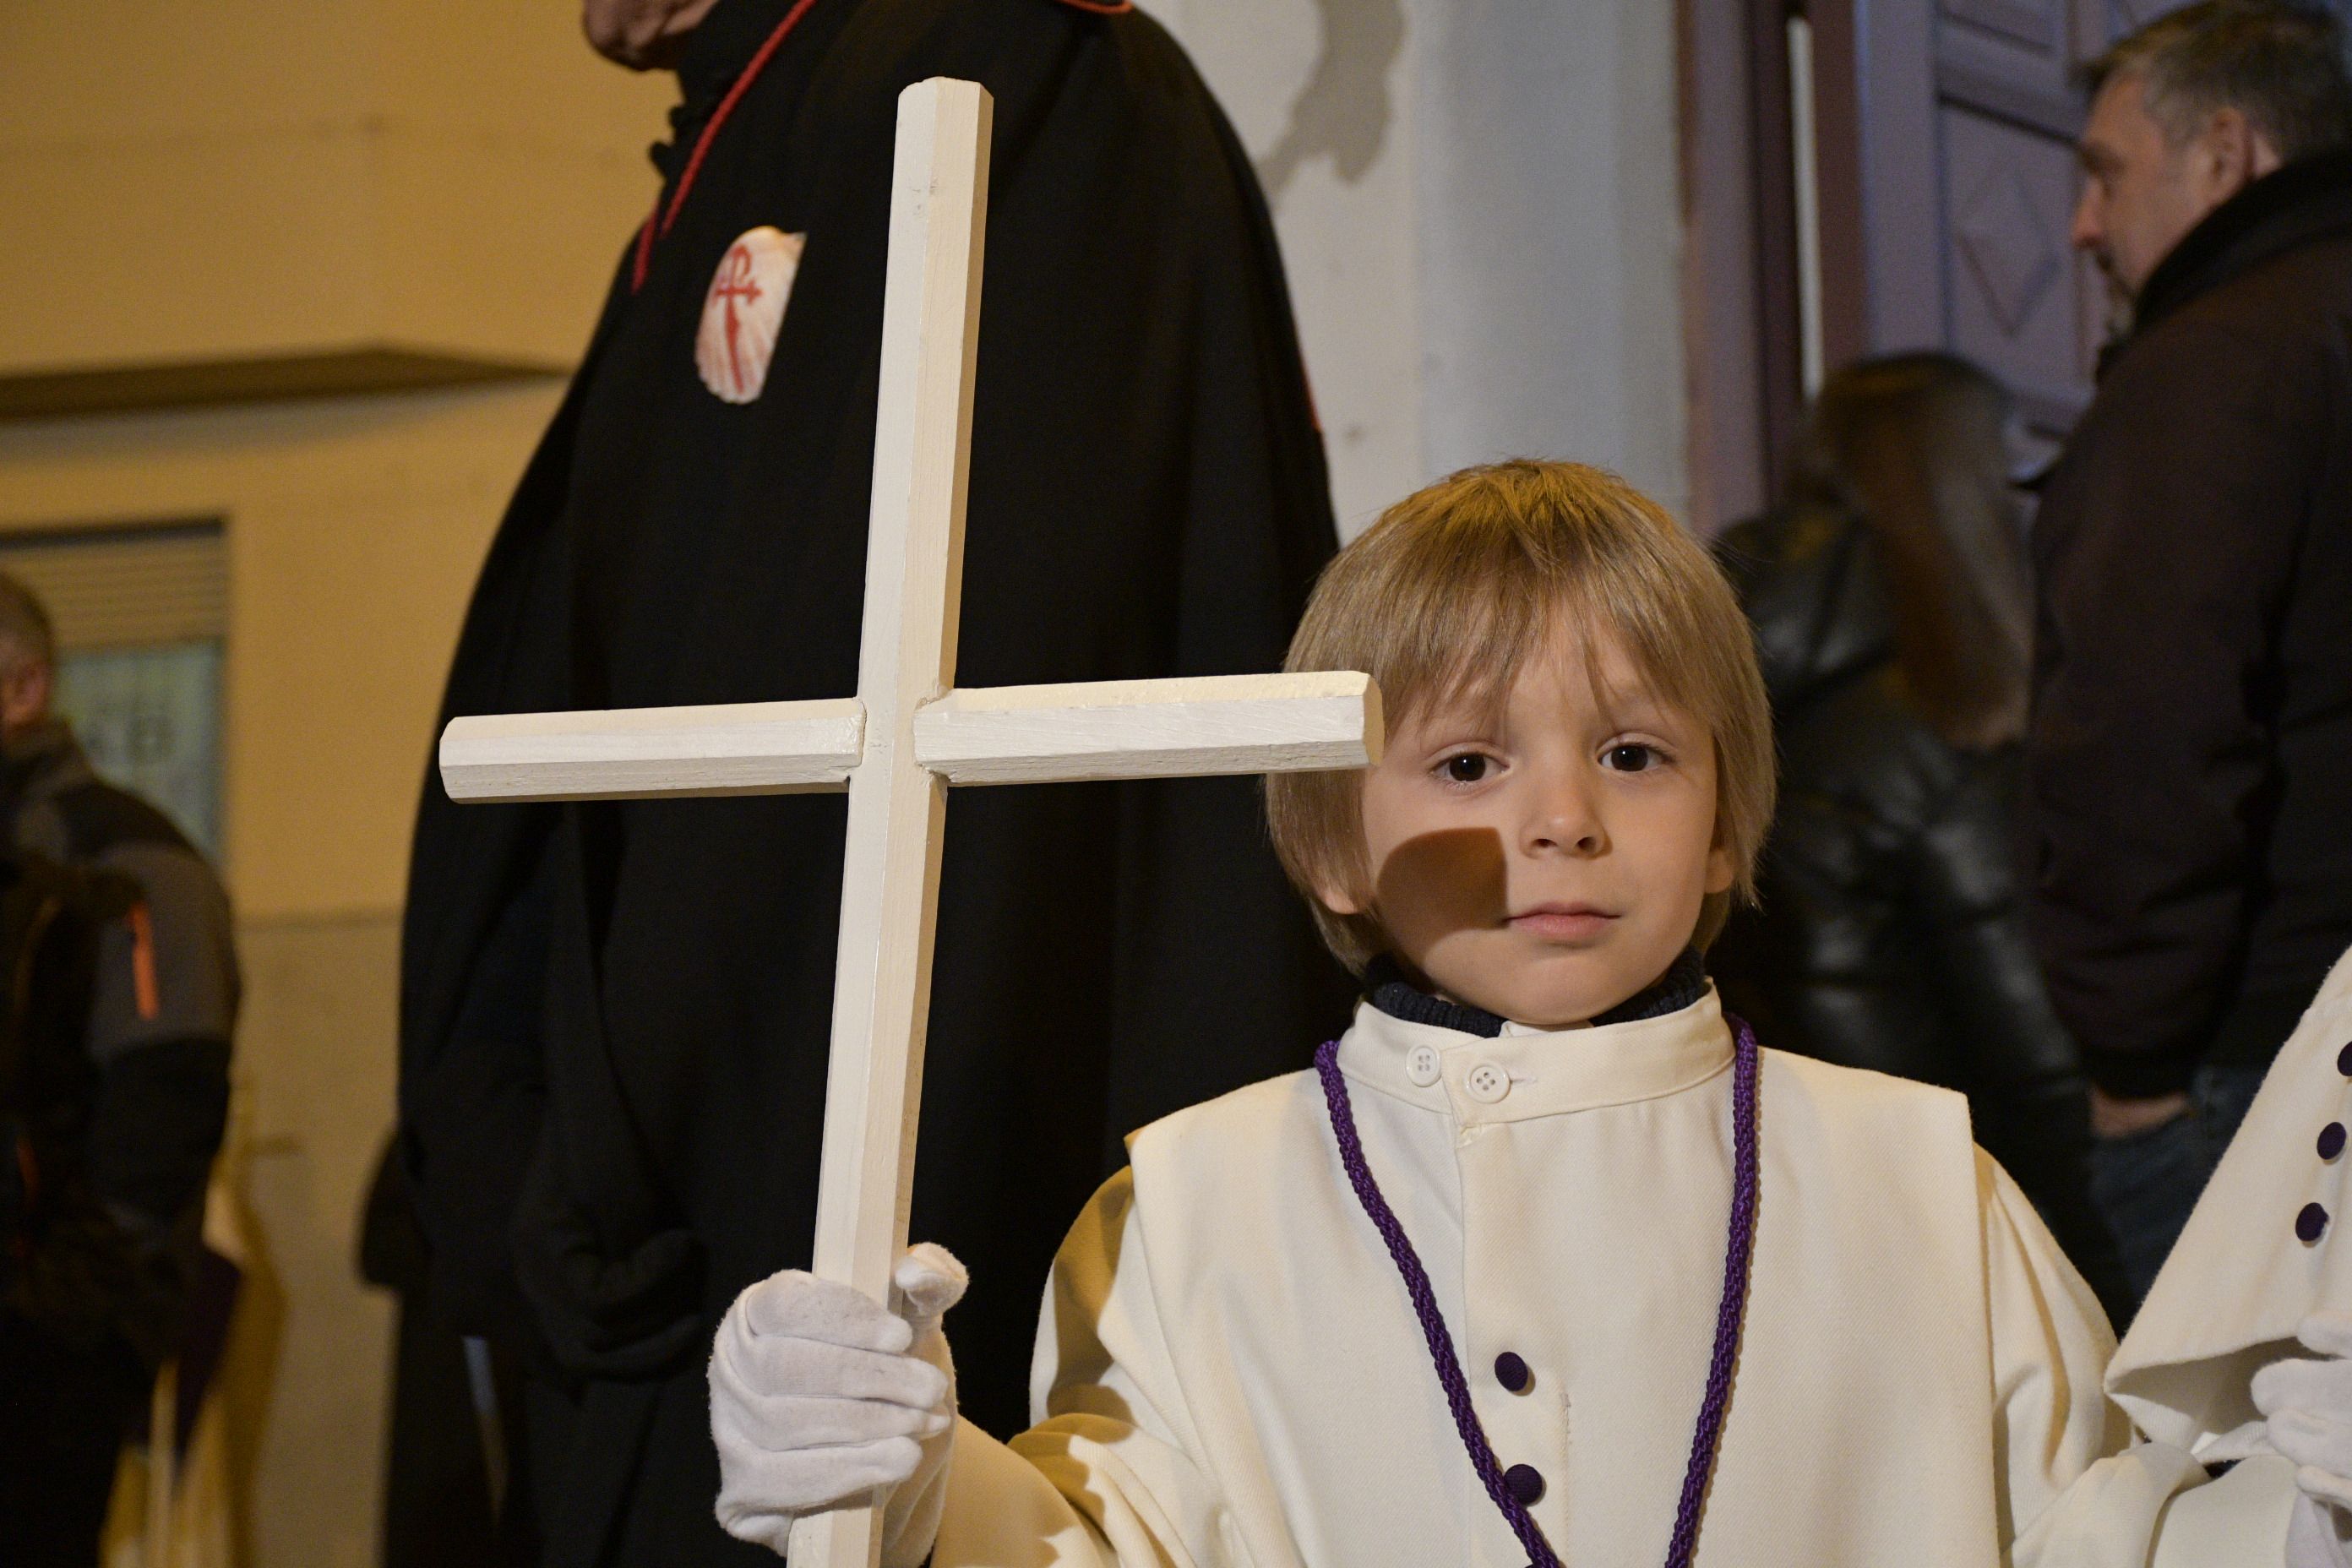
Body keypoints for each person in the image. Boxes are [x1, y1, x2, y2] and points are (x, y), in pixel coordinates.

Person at [705, 461, 2352, 1567]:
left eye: (1634, 755)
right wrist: (909, 1475)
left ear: (1722, 820)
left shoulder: (1917, 1177)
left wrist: (2307, 1490)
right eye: (1471, 764)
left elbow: (2106, 1537)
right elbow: (1107, 1542)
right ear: (1335, 838)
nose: (1561, 821)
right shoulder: (1198, 1201)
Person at [397, 0, 1350, 1561]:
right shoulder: (749, 123)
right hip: (657, 1240)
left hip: (815, 1214)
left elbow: (981, 742)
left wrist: (719, 1231)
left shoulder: (1006, 66)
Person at [2034, 0, 2352, 1300]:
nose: (2083, 227)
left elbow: (2150, 730)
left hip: (2260, 1080)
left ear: (2224, 151)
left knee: (2248, 1499)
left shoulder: (2214, 369)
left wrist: (2135, 1069)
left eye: (2107, 173)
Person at [1711, 353, 2126, 1318]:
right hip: (1974, 1202)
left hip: (1797, 1195)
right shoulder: (1944, 721)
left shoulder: (1745, 692)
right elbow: (2038, 1065)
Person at [0, 574, 238, 1567]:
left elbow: (167, 1105)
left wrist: (67, 1320)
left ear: (25, 688)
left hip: (42, 1347)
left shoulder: (130, 859)